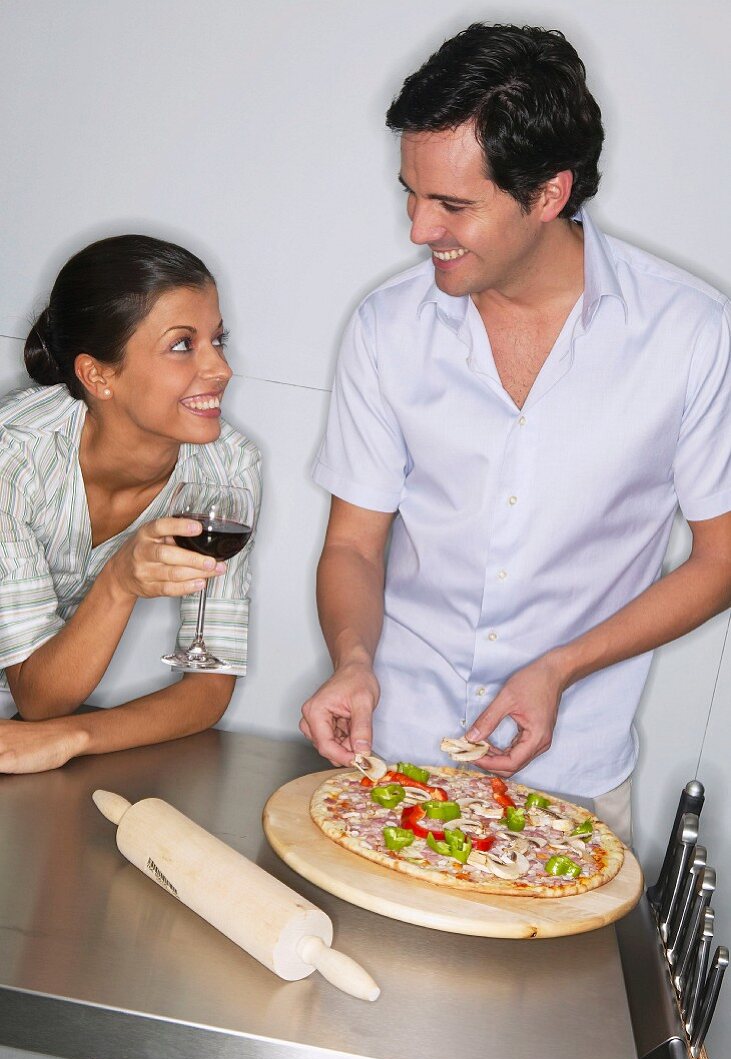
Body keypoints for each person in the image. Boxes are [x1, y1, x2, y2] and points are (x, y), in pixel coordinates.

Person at [299, 23, 731, 842]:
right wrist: (353, 662)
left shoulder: (690, 333)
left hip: (567, 779)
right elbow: (353, 547)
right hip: (390, 761)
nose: (419, 229)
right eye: (410, 194)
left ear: (547, 195)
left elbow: (721, 560)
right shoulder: (385, 327)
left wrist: (558, 670)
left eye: (453, 205)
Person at [0, 235, 261, 773]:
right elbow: (39, 700)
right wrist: (120, 579)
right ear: (98, 375)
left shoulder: (227, 469)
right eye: (183, 345)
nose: (221, 369)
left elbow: (209, 687)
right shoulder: (14, 456)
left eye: (219, 339)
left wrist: (74, 737)